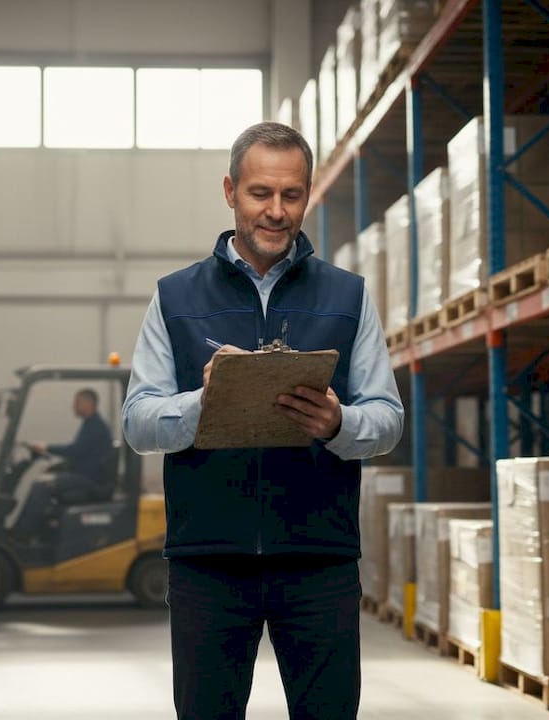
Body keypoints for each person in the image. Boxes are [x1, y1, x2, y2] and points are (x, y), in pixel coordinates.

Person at [122, 121, 404, 720]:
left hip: (319, 562)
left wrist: (337, 424)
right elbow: (139, 421)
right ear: (230, 191)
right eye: (260, 194)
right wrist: (209, 400)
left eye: (291, 195)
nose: (276, 211)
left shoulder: (347, 296)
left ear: (307, 196)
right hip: (208, 564)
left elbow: (387, 418)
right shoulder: (175, 298)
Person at [30, 388, 114, 503]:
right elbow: (79, 452)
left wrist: (47, 447)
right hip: (85, 475)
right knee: (46, 478)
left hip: (89, 478)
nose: (73, 406)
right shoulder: (90, 423)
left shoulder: (96, 426)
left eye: (77, 403)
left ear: (88, 404)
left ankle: (27, 521)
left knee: (41, 486)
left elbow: (75, 450)